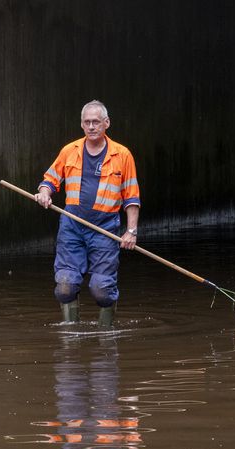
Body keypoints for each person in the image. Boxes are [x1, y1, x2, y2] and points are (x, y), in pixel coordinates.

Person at [35, 100, 141, 328]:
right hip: (72, 225)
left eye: (96, 122)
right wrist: (44, 192)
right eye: (87, 122)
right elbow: (50, 180)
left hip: (105, 228)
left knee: (101, 288)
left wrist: (131, 231)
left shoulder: (122, 155)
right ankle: (71, 335)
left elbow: (131, 197)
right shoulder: (69, 151)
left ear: (106, 123)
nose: (91, 126)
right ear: (82, 124)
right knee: (65, 284)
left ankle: (106, 334)